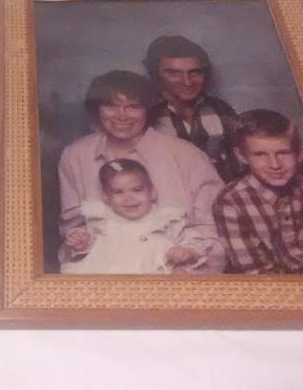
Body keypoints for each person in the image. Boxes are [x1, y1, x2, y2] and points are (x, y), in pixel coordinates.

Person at [58, 70, 226, 273]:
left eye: (133, 106)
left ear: (148, 110)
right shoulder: (75, 156)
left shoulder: (187, 156)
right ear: (98, 109)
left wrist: (186, 272)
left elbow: (212, 232)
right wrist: (78, 242)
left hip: (175, 276)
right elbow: (72, 227)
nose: (121, 115)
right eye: (110, 105)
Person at [213, 109, 303, 274]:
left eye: (283, 153)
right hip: (282, 292)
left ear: (299, 154)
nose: (275, 164)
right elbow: (258, 275)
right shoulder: (231, 203)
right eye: (260, 154)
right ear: (242, 156)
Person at [61, 159, 210, 274]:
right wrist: (81, 243)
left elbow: (195, 243)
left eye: (137, 190)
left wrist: (187, 252)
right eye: (118, 192)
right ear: (106, 197)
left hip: (151, 282)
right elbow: (87, 251)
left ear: (152, 192)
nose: (129, 198)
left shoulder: (165, 220)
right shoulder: (101, 222)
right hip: (106, 282)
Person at [144, 35, 242, 183]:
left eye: (194, 72)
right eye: (174, 73)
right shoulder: (143, 116)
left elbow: (244, 158)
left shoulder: (220, 109)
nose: (187, 82)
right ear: (155, 74)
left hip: (224, 195)